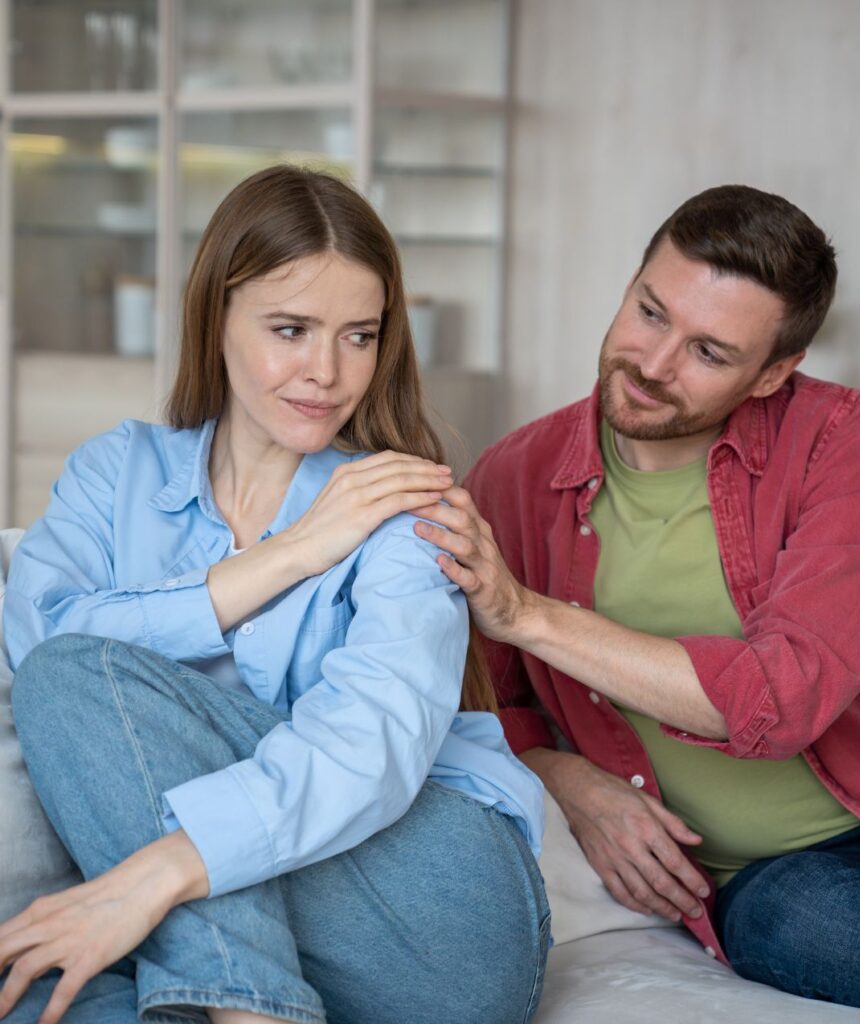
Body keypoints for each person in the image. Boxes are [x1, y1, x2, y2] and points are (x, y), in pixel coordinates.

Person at [0, 165, 548, 1024]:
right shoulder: (115, 473)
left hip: (430, 913)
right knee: (39, 978)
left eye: (358, 336)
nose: (326, 373)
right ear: (214, 315)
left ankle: (233, 996)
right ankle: (246, 1003)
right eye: (290, 328)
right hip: (277, 926)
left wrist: (161, 870)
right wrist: (286, 556)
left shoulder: (406, 505)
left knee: (82, 676)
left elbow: (372, 744)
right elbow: (34, 656)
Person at [412, 184, 860, 1014]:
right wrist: (565, 775)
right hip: (776, 881)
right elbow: (480, 702)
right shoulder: (515, 478)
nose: (652, 363)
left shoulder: (844, 442)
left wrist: (531, 614)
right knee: (797, 927)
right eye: (649, 312)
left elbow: (781, 699)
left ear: (774, 373)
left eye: (710, 353)